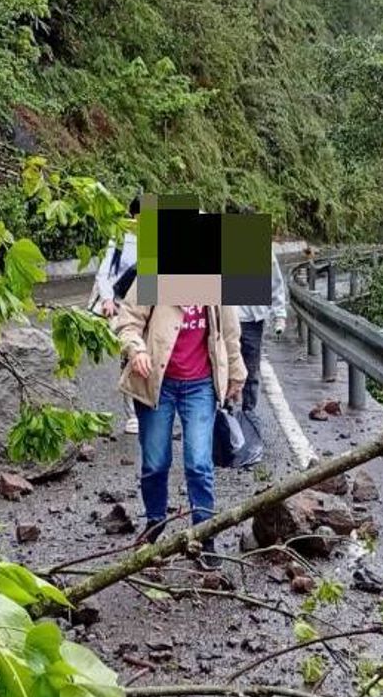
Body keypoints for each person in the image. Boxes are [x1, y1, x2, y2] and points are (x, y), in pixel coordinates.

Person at [113, 288, 245, 555]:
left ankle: (204, 533)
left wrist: (236, 372)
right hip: (157, 383)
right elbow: (127, 321)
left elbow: (230, 332)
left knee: (198, 463)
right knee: (155, 463)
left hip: (201, 384)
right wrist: (136, 350)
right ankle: (155, 521)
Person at [93, 196, 141, 433]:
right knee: (129, 353)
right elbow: (104, 273)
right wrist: (107, 298)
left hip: (147, 305)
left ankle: (149, 408)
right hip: (123, 305)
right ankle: (132, 413)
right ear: (133, 216)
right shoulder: (121, 237)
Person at [234, 240, 288, 424]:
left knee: (250, 370)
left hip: (252, 321)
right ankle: (224, 412)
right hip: (225, 321)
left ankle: (249, 414)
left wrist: (279, 315)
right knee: (222, 367)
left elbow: (275, 283)